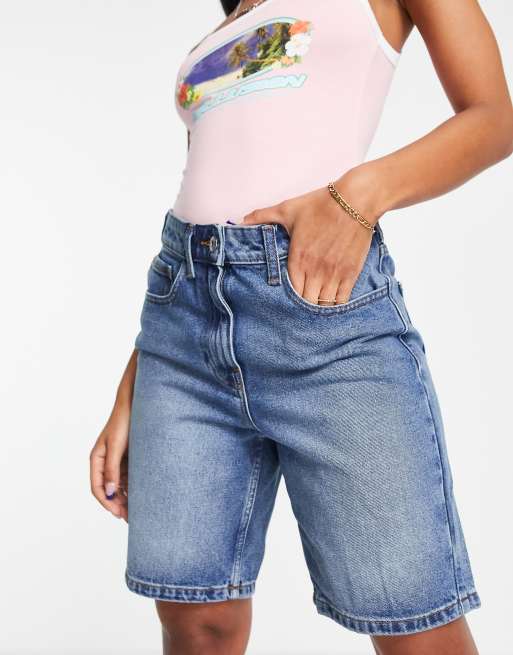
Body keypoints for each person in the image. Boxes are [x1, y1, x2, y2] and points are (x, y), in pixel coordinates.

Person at [90, 1, 513, 653]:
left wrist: (358, 197)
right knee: (195, 617)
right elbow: (208, 195)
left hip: (327, 324)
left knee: (411, 618)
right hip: (181, 331)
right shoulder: (228, 23)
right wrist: (134, 381)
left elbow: (493, 119)